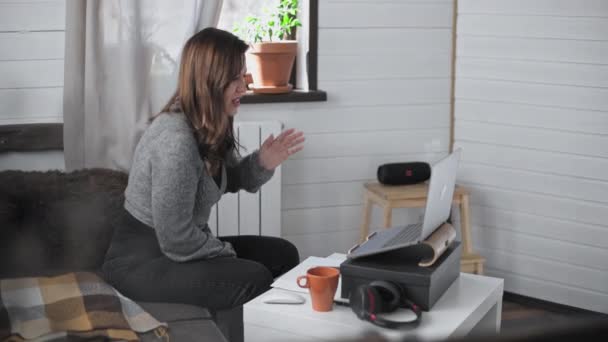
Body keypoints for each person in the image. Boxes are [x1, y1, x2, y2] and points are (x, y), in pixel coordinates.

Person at [102, 27, 304, 312]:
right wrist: (226, 254)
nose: (243, 87)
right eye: (234, 78)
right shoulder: (176, 140)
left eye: (243, 75)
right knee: (253, 277)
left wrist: (262, 162)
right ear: (209, 80)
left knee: (283, 254)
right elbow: (176, 238)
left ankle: (280, 331)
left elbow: (228, 179)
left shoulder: (210, 124)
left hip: (174, 249)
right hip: (141, 262)